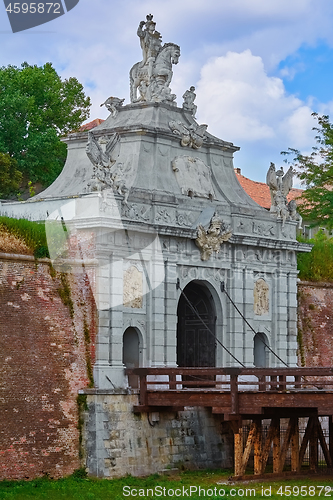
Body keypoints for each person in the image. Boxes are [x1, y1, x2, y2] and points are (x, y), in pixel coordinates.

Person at [137, 15, 162, 79]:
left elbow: (159, 45)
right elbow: (139, 33)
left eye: (154, 25)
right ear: (148, 27)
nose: (153, 27)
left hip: (158, 53)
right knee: (151, 62)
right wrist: (140, 26)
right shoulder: (146, 34)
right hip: (150, 53)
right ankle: (150, 77)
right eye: (151, 25)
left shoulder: (156, 36)